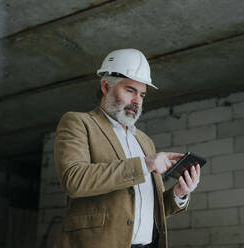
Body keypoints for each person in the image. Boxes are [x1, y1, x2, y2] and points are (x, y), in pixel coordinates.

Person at [53, 48, 200, 248]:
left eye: (142, 94)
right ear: (105, 87)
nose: (137, 101)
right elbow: (74, 179)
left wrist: (179, 193)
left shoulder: (144, 141)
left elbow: (142, 210)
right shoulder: (78, 122)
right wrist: (144, 164)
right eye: (130, 90)